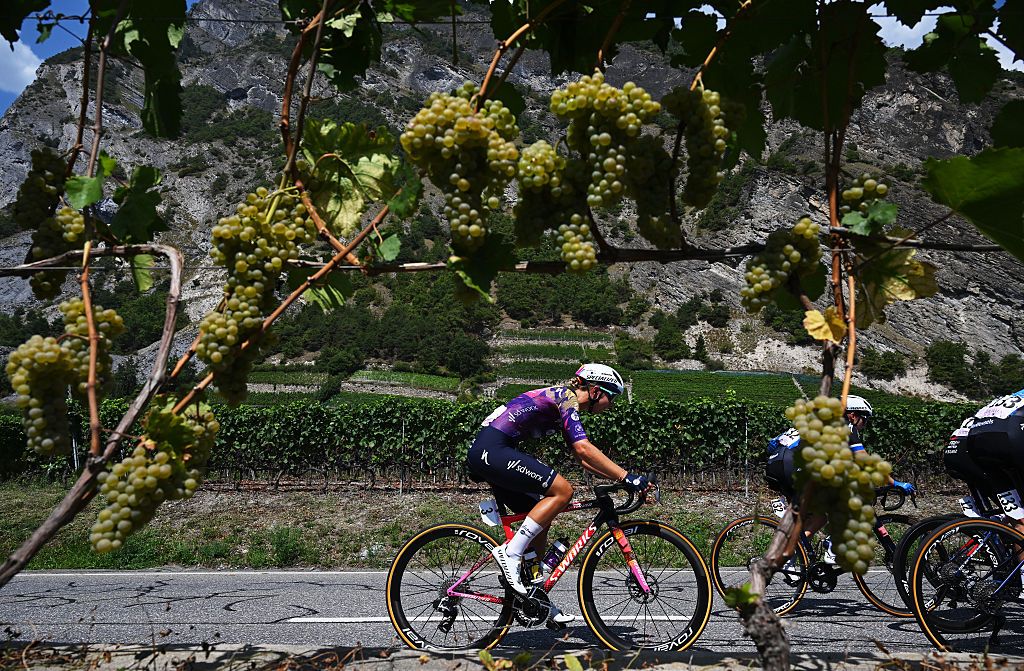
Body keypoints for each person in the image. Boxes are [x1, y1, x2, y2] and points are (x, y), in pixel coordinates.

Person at [465, 363, 648, 624]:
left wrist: (622, 478)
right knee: (563, 491)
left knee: (541, 517)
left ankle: (536, 597)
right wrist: (626, 476)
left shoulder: (564, 402)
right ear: (596, 391)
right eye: (612, 396)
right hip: (492, 450)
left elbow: (583, 459)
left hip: (492, 451)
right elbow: (584, 449)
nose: (613, 404)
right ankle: (510, 553)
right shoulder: (565, 398)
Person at [765, 394, 914, 561]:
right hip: (790, 466)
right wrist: (895, 483)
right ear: (852, 415)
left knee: (820, 516)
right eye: (864, 420)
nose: (864, 425)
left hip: (778, 466)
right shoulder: (845, 425)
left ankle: (789, 556)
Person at [943, 388, 1024, 534]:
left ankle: (1002, 536)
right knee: (1020, 519)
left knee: (1017, 517)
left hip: (975, 439)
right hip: (1003, 436)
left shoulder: (1015, 395)